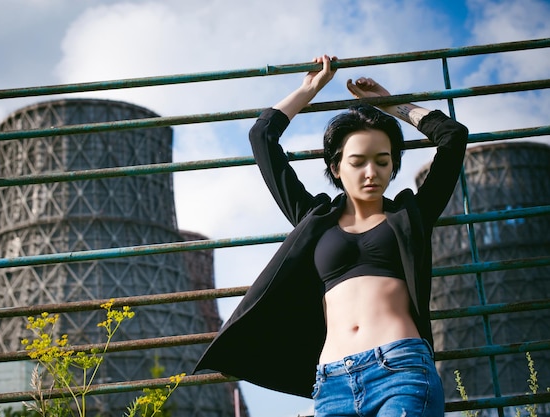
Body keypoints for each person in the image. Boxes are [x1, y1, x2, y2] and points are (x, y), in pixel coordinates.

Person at [194, 55, 468, 416]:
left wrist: (391, 106)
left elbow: (452, 137)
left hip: (401, 369)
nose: (372, 172)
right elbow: (262, 136)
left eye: (383, 161)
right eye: (358, 162)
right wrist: (309, 89)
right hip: (332, 382)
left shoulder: (410, 215)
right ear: (336, 168)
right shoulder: (313, 218)